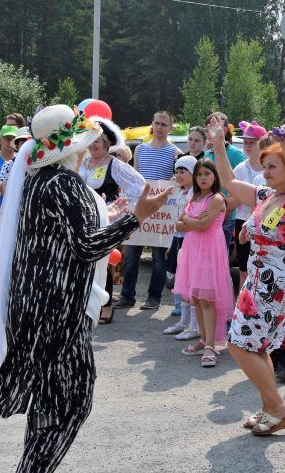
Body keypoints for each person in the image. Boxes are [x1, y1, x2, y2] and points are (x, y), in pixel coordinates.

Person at [0, 105, 170, 472]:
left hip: (32, 304)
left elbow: (67, 237)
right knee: (71, 401)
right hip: (58, 309)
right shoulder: (64, 183)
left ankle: (31, 465)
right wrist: (137, 216)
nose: (89, 148)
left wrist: (112, 217)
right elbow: (87, 246)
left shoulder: (35, 180)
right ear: (72, 146)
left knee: (49, 401)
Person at [212, 116, 285, 435]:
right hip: (256, 278)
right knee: (254, 346)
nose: (265, 171)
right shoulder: (264, 197)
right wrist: (217, 143)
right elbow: (228, 182)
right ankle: (270, 407)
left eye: (272, 166)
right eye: (264, 165)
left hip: (274, 283)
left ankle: (280, 407)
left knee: (238, 343)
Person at [78, 117, 144, 323]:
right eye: (91, 140)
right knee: (84, 262)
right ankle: (86, 304)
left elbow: (139, 186)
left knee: (103, 263)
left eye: (97, 140)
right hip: (83, 220)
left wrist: (119, 207)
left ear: (107, 143)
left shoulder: (115, 165)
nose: (93, 144)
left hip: (105, 220)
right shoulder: (83, 162)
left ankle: (106, 307)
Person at [115, 110, 182, 310]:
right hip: (140, 208)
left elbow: (177, 181)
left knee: (159, 258)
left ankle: (154, 297)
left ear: (170, 128)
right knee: (131, 255)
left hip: (162, 211)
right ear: (152, 124)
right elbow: (135, 179)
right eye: (157, 123)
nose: (160, 127)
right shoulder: (140, 150)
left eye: (164, 124)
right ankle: (127, 296)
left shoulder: (175, 153)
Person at [174, 159, 233, 367]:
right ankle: (203, 338)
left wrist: (190, 220)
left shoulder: (216, 199)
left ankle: (210, 344)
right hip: (193, 250)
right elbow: (178, 225)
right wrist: (193, 221)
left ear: (214, 176)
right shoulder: (195, 197)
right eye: (199, 175)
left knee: (207, 299)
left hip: (209, 252)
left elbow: (202, 225)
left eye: (207, 174)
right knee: (197, 299)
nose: (203, 178)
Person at [162, 156, 199, 338]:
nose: (179, 175)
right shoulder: (182, 192)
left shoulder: (195, 195)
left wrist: (180, 227)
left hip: (191, 241)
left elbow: (189, 222)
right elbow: (178, 223)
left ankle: (194, 325)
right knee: (181, 280)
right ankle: (184, 321)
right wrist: (173, 243)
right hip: (179, 240)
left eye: (183, 171)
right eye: (177, 171)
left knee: (191, 281)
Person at [203, 111, 246, 248]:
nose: (209, 133)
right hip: (206, 215)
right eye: (207, 130)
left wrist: (224, 213)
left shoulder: (235, 154)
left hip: (226, 217)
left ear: (224, 130)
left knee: (219, 257)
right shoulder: (207, 153)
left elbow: (241, 188)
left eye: (212, 129)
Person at [233, 121, 267, 288]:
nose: (247, 146)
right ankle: (242, 309)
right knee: (244, 268)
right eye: (245, 142)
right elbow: (233, 197)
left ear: (262, 143)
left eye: (251, 142)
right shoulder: (240, 168)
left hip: (266, 223)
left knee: (263, 268)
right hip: (243, 222)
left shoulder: (270, 166)